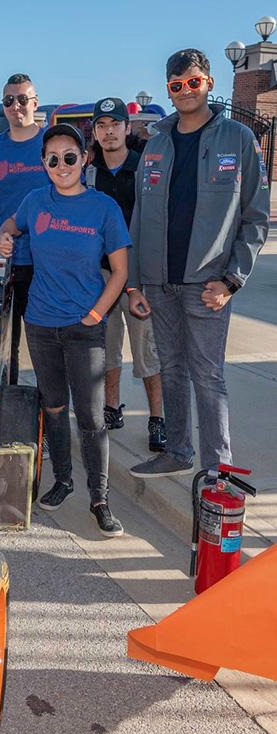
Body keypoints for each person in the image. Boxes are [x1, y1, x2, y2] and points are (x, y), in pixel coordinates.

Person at [127, 49, 270, 479]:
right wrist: (136, 284)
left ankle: (217, 469)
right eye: (176, 85)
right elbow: (138, 218)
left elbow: (255, 217)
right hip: (159, 283)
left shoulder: (237, 140)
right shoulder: (155, 145)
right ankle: (177, 451)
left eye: (193, 82)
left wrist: (231, 280)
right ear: (169, 92)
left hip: (208, 285)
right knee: (171, 369)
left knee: (208, 377)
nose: (185, 91)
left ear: (207, 83)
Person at [0, 123, 131, 538]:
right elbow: (9, 227)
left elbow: (120, 272)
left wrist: (95, 315)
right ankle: (63, 481)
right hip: (40, 323)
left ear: (84, 159)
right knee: (53, 406)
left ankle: (100, 498)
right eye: (52, 159)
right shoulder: (35, 201)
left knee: (91, 415)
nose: (61, 165)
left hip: (84, 327)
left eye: (69, 157)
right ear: (44, 164)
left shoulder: (103, 208)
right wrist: (2, 237)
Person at [86, 97, 165, 453]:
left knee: (147, 350)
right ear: (95, 132)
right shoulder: (88, 172)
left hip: (139, 277)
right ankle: (112, 408)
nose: (109, 131)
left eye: (115, 124)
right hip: (101, 274)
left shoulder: (145, 166)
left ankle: (157, 419)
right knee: (107, 346)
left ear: (127, 127)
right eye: (101, 125)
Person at [0, 73, 50, 386]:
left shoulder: (49, 144)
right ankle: (4, 417)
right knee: (3, 347)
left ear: (34, 103)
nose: (16, 106)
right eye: (8, 100)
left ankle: (43, 420)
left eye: (22, 99)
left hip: (42, 264)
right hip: (0, 263)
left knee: (44, 344)